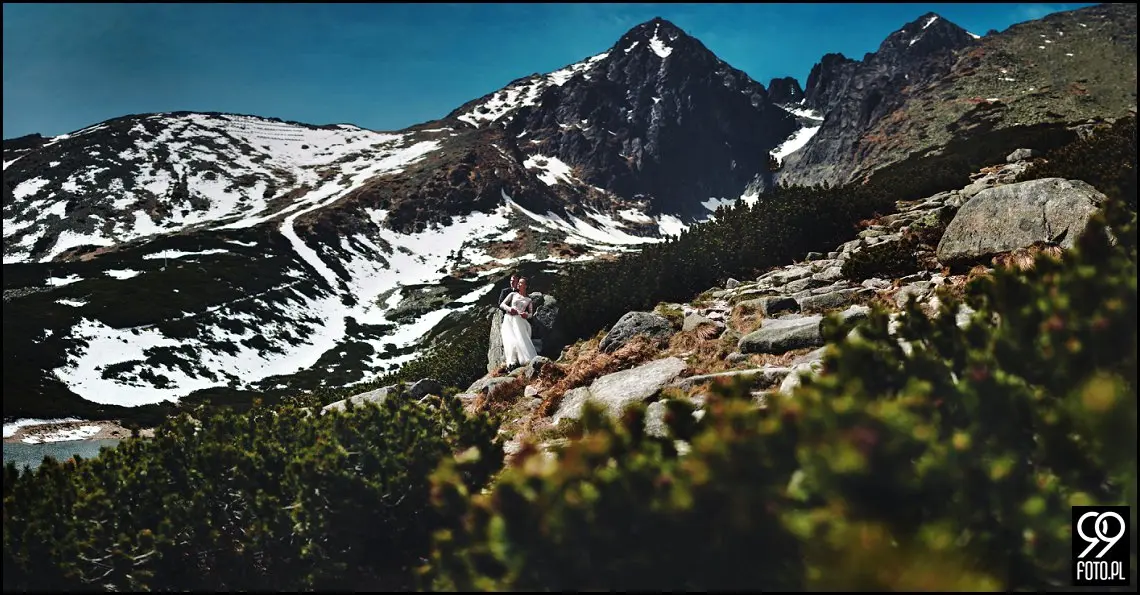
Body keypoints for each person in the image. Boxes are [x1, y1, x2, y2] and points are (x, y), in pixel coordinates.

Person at [499, 276, 538, 368]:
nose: (518, 284)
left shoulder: (528, 300)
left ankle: (525, 359)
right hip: (508, 319)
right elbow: (502, 304)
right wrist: (510, 309)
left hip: (519, 321)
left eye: (521, 283)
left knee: (521, 340)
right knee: (510, 341)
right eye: (519, 282)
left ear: (525, 286)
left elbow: (531, 314)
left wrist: (526, 315)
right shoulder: (512, 294)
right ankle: (512, 362)